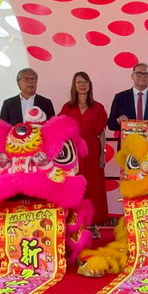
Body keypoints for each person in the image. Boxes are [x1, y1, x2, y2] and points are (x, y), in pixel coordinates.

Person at [59, 71, 111, 228]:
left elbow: (102, 133)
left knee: (93, 187)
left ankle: (94, 224)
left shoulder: (98, 107)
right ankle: (75, 225)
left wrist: (102, 155)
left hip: (92, 151)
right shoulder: (67, 107)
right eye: (78, 82)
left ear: (90, 85)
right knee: (75, 187)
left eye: (85, 82)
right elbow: (60, 131)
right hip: (73, 152)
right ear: (74, 86)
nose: (82, 85)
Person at [108, 62, 148, 137]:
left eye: (145, 74)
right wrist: (119, 121)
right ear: (132, 76)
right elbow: (110, 124)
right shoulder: (120, 97)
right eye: (138, 73)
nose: (142, 76)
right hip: (128, 143)